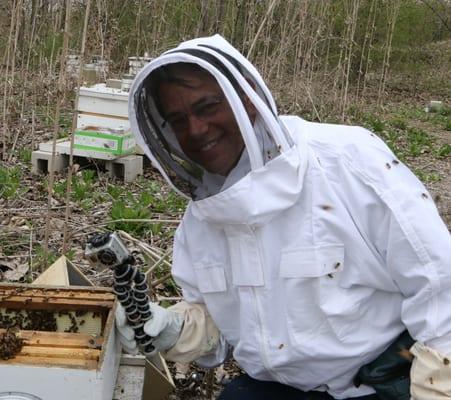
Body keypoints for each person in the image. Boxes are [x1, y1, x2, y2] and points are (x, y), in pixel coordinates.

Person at [115, 35, 451, 399]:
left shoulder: (348, 161)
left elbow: (437, 285)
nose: (196, 129)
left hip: (378, 385)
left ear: (248, 100)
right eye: (178, 120)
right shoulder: (202, 218)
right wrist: (173, 328)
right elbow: (219, 324)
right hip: (275, 388)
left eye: (208, 106)